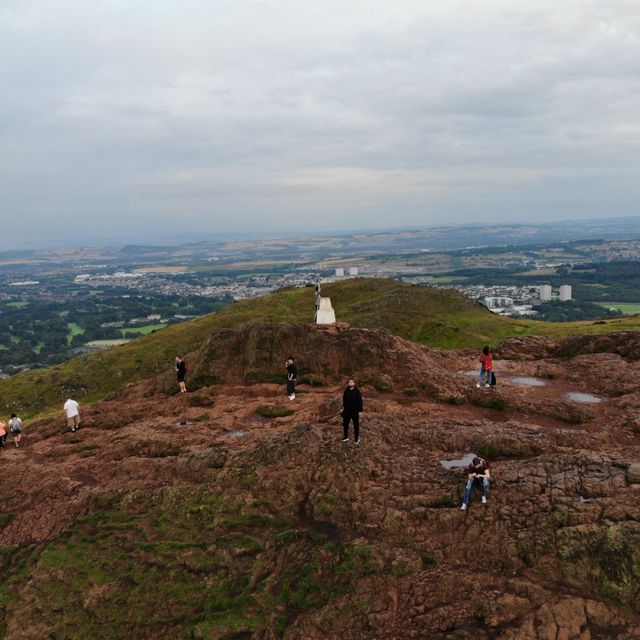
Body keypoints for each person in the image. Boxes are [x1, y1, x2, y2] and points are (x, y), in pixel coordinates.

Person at [342, 378, 363, 444]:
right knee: (345, 424)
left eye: (352, 382)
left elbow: (360, 401)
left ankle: (356, 439)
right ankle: (346, 437)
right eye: (350, 382)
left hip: (355, 411)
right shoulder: (346, 390)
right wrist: (343, 409)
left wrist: (360, 411)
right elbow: (344, 400)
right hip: (347, 411)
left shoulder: (357, 391)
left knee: (356, 425)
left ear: (354, 383)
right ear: (348, 383)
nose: (351, 383)